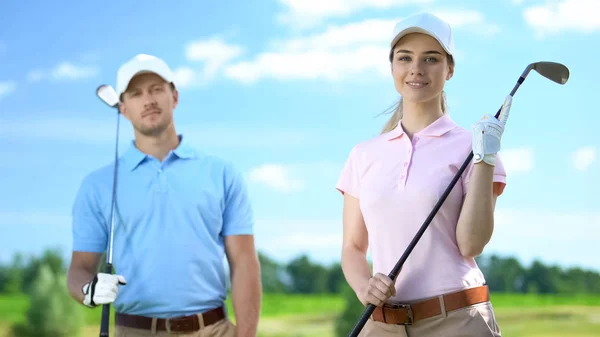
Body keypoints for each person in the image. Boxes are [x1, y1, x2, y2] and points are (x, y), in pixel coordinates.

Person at [336, 12, 509, 337]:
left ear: (450, 69)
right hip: (382, 324)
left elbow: (471, 243)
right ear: (392, 67)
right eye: (405, 58)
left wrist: (484, 158)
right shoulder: (363, 154)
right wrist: (364, 288)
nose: (417, 68)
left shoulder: (473, 147)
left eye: (431, 58)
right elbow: (352, 248)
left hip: (457, 319)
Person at [67, 53, 262, 336]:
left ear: (175, 97)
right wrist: (88, 290)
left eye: (157, 89)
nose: (148, 100)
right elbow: (78, 269)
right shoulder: (97, 185)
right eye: (136, 93)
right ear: (123, 108)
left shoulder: (221, 173)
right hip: (135, 330)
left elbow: (244, 262)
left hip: (213, 330)